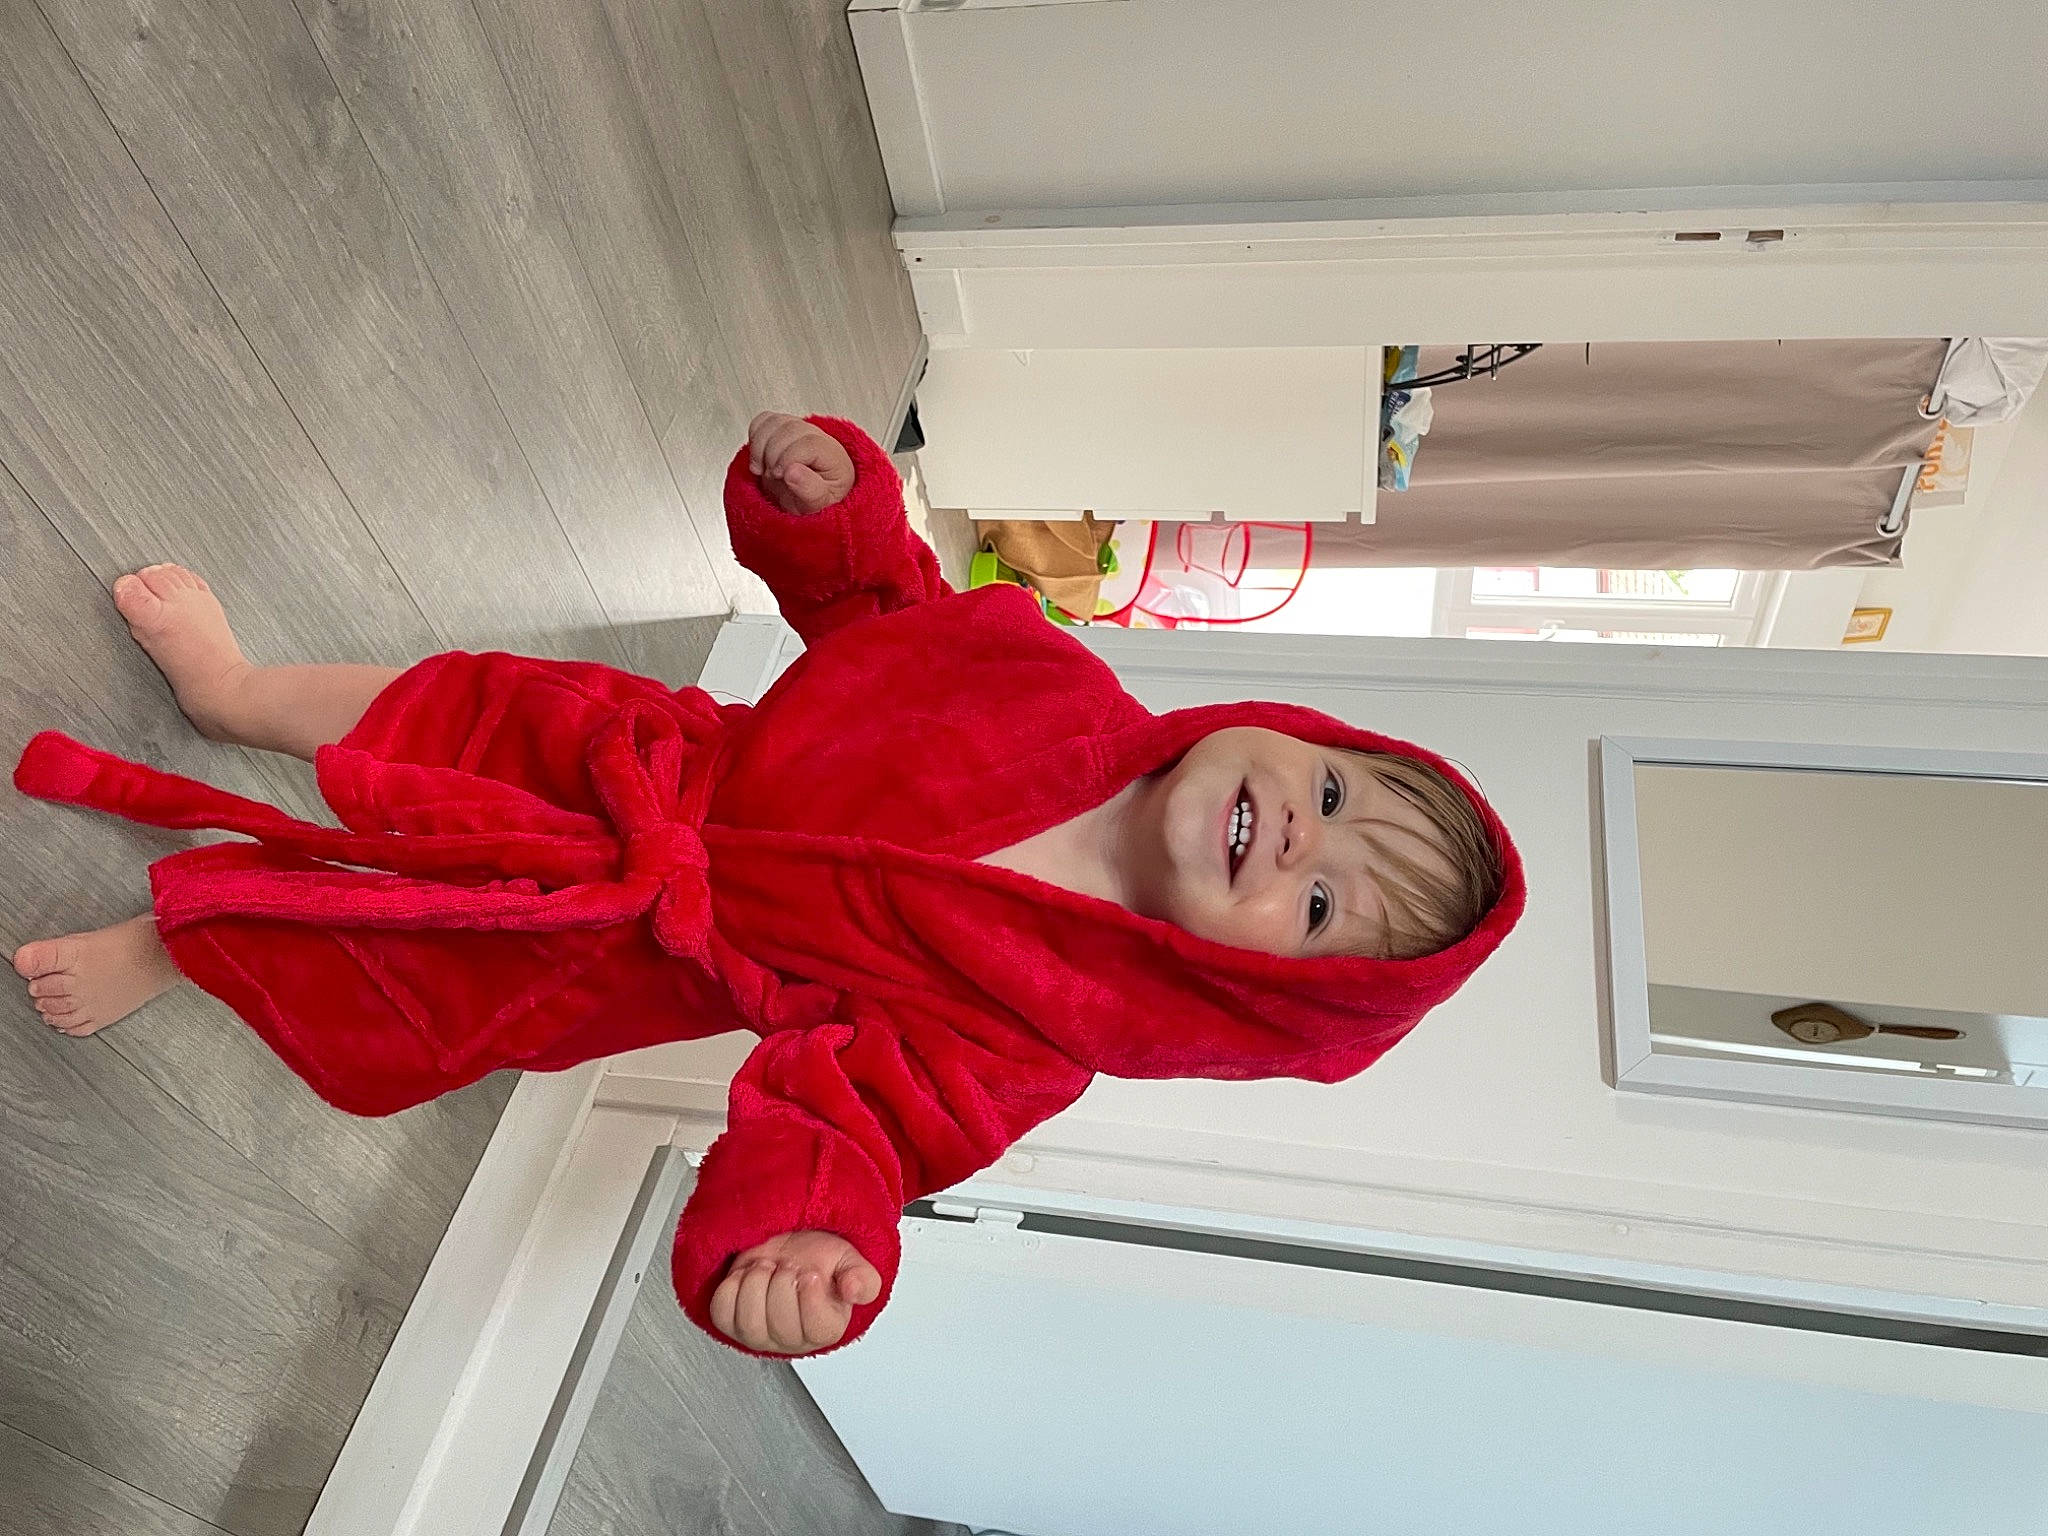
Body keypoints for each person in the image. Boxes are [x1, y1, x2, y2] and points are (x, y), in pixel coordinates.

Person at [11, 413, 1525, 1357]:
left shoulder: (1025, 1045)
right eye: (1333, 794)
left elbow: (851, 1125)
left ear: (1255, 990)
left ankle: (184, 935)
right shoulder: (1047, 682)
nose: (1299, 839)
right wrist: (830, 509)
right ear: (1306, 736)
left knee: (385, 946)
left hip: (611, 942)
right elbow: (883, 614)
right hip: (647, 764)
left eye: (1320, 907)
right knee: (435, 712)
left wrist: (812, 1235)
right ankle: (240, 694)